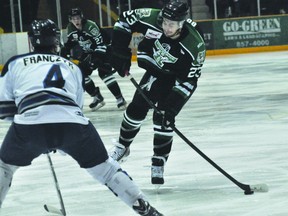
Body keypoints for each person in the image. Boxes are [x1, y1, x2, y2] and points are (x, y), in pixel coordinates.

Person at [0, 19, 163, 216]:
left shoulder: (15, 63)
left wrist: (35, 132)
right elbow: (74, 109)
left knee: (4, 167)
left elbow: (5, 110)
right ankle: (144, 208)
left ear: (31, 41)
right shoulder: (72, 67)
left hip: (30, 126)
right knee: (107, 170)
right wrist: (56, 137)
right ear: (56, 41)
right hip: (73, 124)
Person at [109, 1, 206, 186]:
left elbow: (189, 81)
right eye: (164, 22)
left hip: (176, 76)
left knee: (163, 118)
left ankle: (159, 160)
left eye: (171, 24)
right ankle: (122, 147)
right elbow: (123, 21)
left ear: (182, 23)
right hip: (155, 68)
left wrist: (172, 107)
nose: (166, 27)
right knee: (136, 109)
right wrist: (120, 53)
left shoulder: (195, 45)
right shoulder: (152, 17)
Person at [62, 8, 127, 111]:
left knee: (104, 74)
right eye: (73, 19)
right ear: (70, 20)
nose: (76, 21)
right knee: (81, 74)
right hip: (88, 52)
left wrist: (97, 58)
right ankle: (96, 96)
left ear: (81, 17)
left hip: (104, 49)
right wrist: (65, 50)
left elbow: (101, 43)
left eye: (78, 18)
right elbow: (72, 41)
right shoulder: (70, 28)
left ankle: (120, 98)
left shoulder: (90, 26)